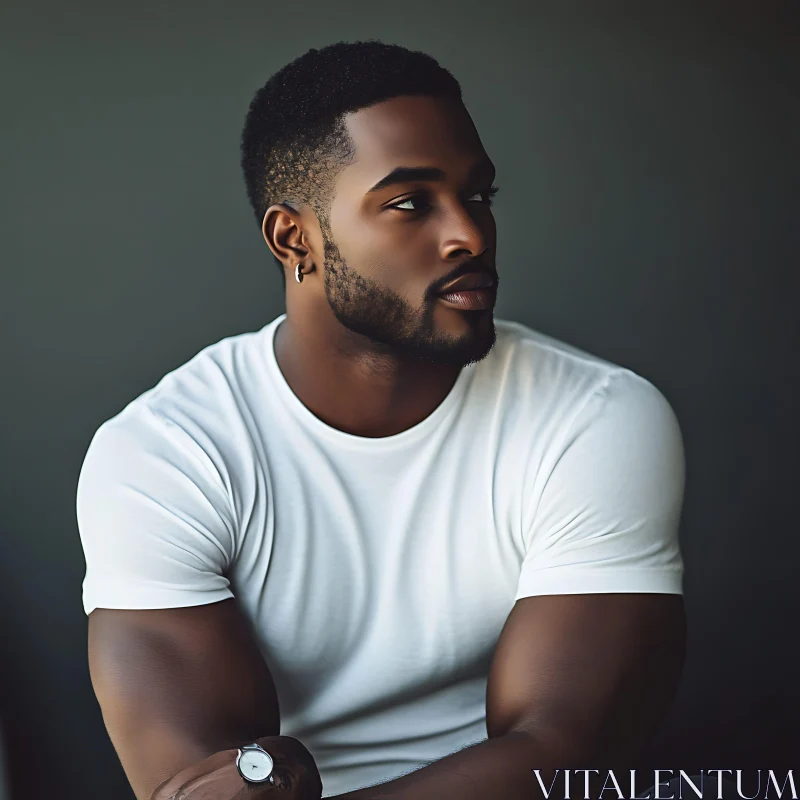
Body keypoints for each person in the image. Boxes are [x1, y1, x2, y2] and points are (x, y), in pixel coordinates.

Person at [76, 41, 687, 800]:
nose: (470, 234)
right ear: (293, 239)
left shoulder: (593, 417)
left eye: (480, 196)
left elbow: (565, 752)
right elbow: (192, 786)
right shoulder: (165, 454)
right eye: (409, 202)